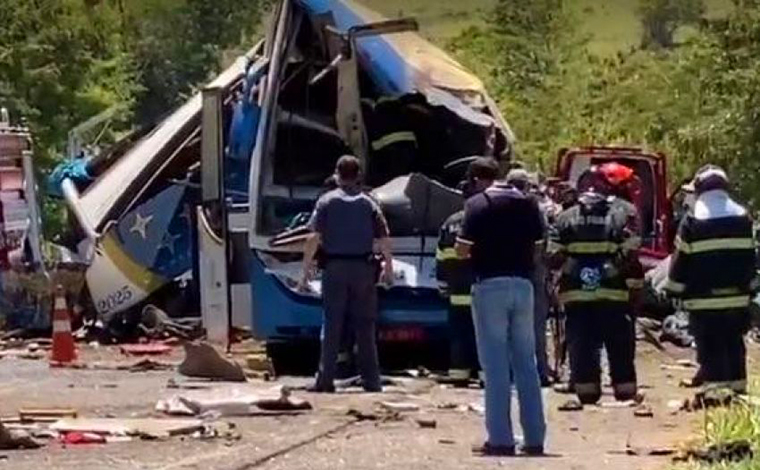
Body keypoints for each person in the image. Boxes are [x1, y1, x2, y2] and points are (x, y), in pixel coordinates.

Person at [455, 157, 546, 456]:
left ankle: (501, 439)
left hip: (490, 285)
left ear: (476, 180)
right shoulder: (528, 203)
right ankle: (534, 439)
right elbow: (537, 247)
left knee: (495, 366)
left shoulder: (477, 205)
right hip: (522, 285)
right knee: (526, 363)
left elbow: (462, 249)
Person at [551, 163, 643, 405]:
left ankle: (587, 392)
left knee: (581, 344)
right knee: (620, 344)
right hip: (613, 294)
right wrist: (611, 271)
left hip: (576, 295)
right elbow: (632, 249)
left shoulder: (564, 217)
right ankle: (624, 391)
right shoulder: (626, 213)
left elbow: (551, 256)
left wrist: (574, 268)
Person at [300, 155, 394, 393]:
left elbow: (313, 238)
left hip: (335, 269)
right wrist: (389, 268)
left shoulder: (326, 202)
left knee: (332, 325)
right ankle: (371, 381)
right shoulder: (369, 203)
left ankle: (325, 380)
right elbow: (384, 238)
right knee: (365, 326)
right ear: (359, 175)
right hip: (364, 270)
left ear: (336, 174)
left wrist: (305, 271)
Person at [665, 165, 756, 394]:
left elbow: (681, 258)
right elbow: (750, 258)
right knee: (734, 342)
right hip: (737, 299)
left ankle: (716, 393)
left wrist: (674, 290)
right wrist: (751, 288)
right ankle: (737, 388)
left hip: (703, 300)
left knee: (710, 344)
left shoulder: (694, 218)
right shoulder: (742, 216)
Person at [506, 168, 553, 386]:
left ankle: (509, 373)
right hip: (532, 274)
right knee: (535, 327)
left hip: (504, 273)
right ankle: (540, 371)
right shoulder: (534, 209)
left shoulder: (495, 206)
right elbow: (541, 243)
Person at [436, 169, 480, 387]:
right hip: (481, 288)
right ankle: (483, 374)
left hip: (457, 291)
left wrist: (443, 284)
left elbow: (442, 255)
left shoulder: (450, 222)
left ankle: (459, 375)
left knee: (459, 334)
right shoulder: (482, 218)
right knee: (483, 335)